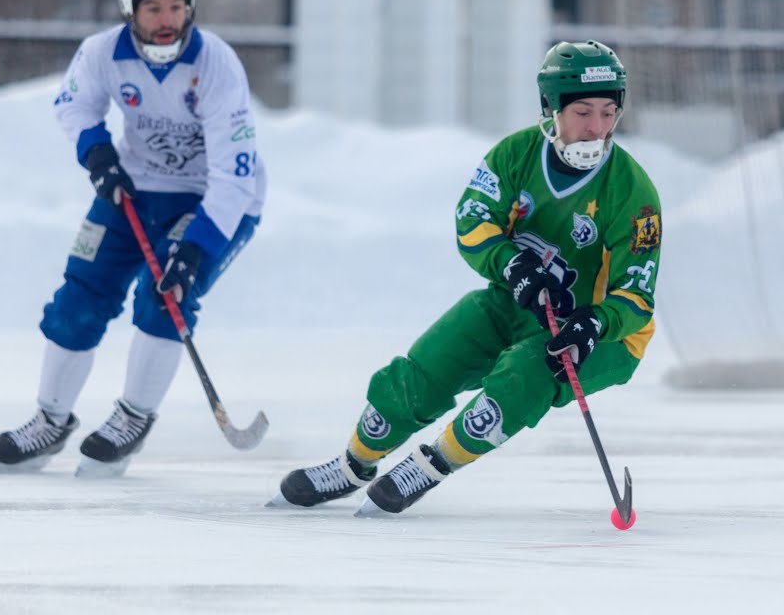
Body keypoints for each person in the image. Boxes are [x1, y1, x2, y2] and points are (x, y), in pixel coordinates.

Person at [271, 40, 661, 515]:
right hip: (515, 301)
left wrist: (594, 323)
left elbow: (636, 293)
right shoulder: (516, 155)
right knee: (432, 361)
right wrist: (511, 265)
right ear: (551, 108)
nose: (595, 128)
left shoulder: (632, 191)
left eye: (606, 112)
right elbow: (473, 222)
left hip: (603, 335)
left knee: (525, 376)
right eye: (582, 111)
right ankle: (352, 465)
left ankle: (430, 466)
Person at [0, 0, 266, 477]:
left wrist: (196, 251)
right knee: (77, 300)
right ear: (129, 9)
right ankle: (50, 421)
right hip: (131, 192)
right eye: (153, 8)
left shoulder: (216, 64)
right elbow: (74, 103)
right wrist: (97, 153)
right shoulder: (101, 53)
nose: (167, 20)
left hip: (214, 203)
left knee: (165, 299)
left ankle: (132, 417)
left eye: (177, 6)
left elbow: (235, 173)